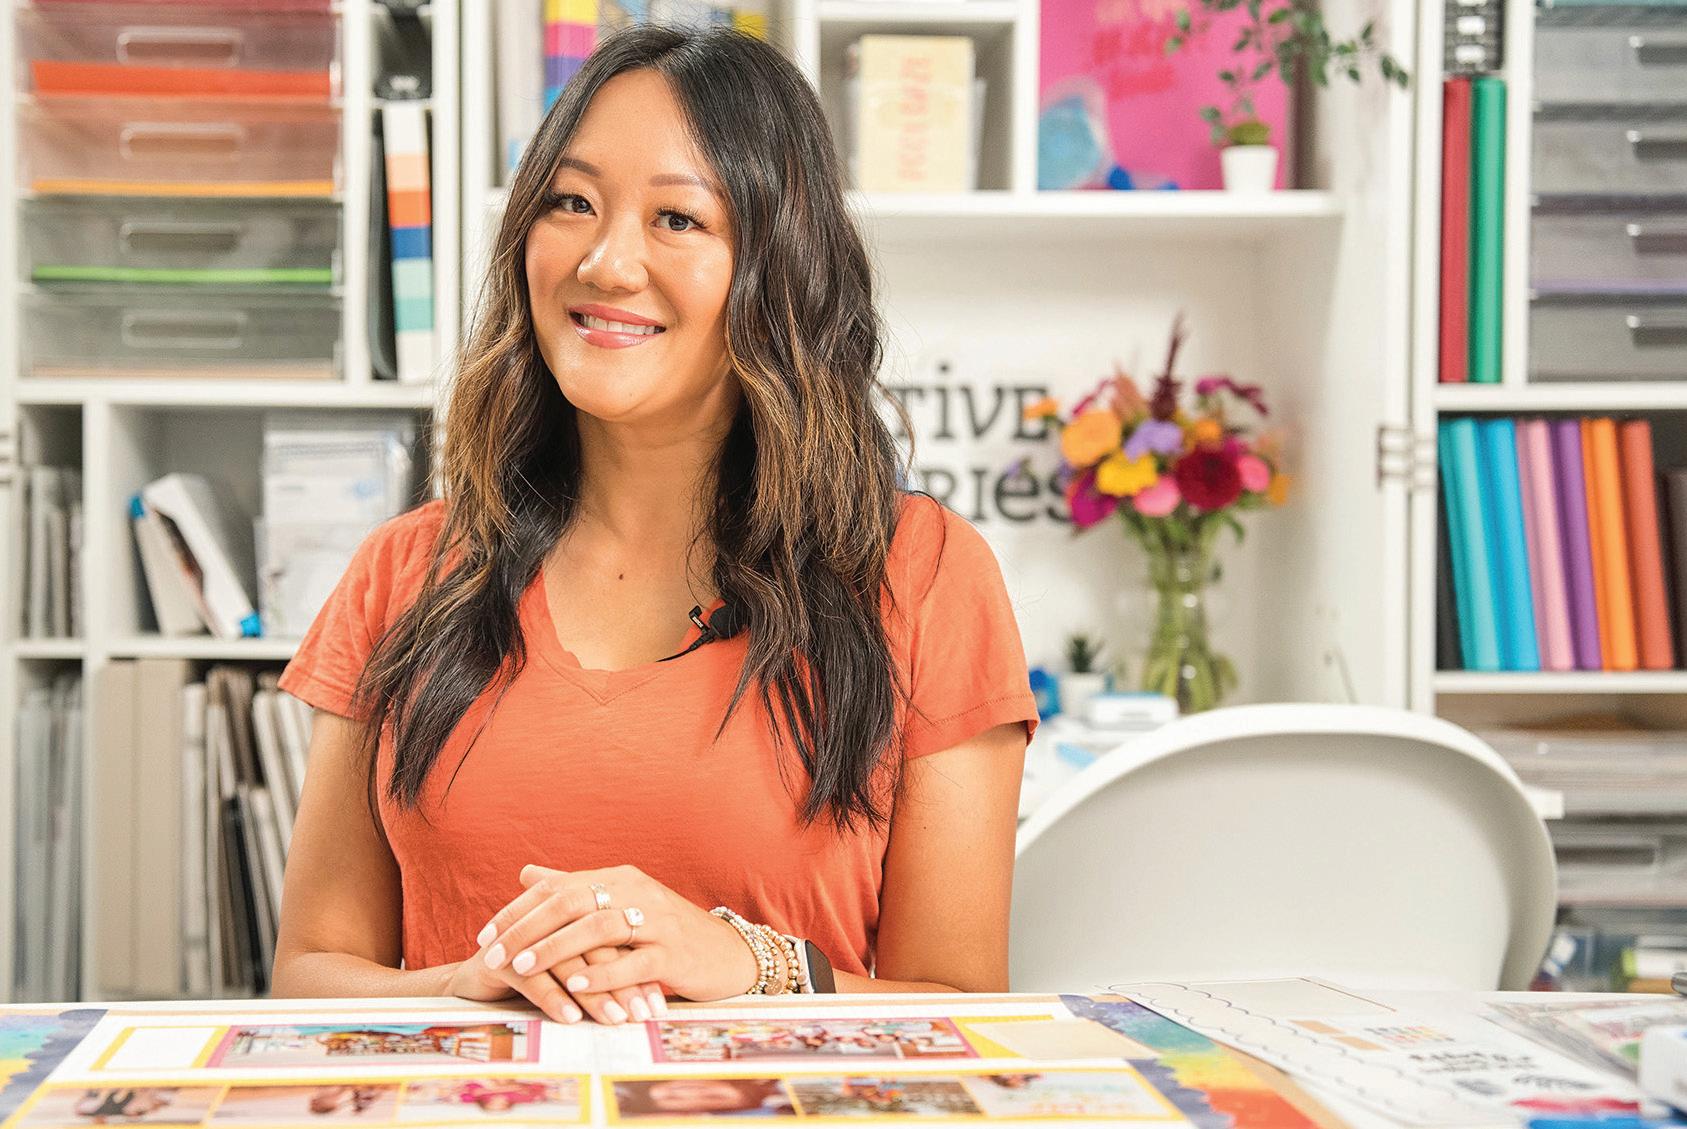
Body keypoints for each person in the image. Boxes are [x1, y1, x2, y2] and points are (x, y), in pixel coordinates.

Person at [269, 23, 1036, 1026]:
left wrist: (744, 961)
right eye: (571, 203)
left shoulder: (922, 572)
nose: (605, 262)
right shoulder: (404, 571)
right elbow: (310, 972)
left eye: (678, 218)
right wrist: (461, 984)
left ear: (781, 268)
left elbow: (963, 1011)